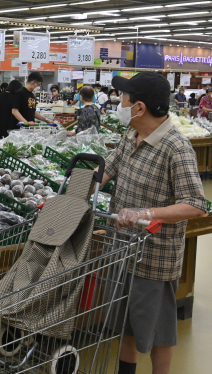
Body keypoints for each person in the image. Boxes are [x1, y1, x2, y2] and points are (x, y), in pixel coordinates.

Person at [103, 71, 206, 374]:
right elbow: (109, 169)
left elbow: (196, 204)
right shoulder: (131, 134)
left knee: (159, 329)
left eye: (123, 98)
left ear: (139, 107)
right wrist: (73, 192)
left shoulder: (176, 147)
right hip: (122, 248)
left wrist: (146, 213)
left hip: (155, 257)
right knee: (126, 324)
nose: (118, 102)